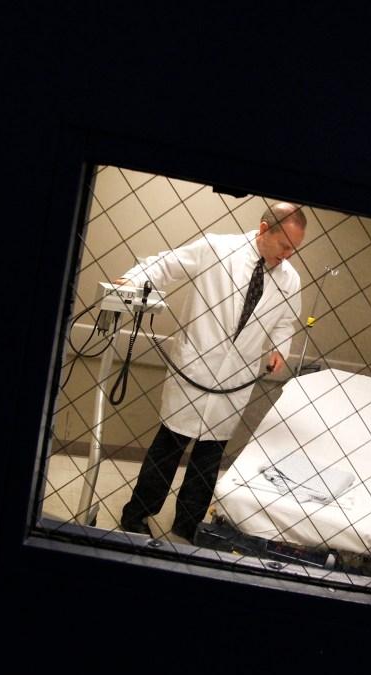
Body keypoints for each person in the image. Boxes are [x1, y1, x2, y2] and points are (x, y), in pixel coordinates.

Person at [115, 201, 307, 542]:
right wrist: (132, 280)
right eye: (284, 246)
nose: (288, 255)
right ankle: (136, 515)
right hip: (194, 368)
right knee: (168, 449)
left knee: (208, 459)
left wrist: (279, 347)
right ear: (264, 231)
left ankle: (187, 526)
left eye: (294, 249)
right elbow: (167, 264)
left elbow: (285, 320)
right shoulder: (218, 248)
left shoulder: (289, 279)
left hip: (234, 381)